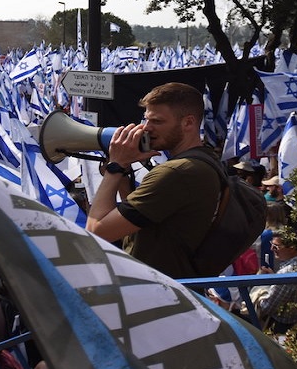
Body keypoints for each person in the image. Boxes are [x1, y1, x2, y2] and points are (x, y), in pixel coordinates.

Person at [86, 82, 220, 278]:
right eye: (145, 119)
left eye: (157, 121)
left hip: (159, 293)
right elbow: (138, 221)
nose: (146, 128)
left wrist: (115, 167)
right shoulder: (203, 161)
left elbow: (96, 230)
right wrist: (123, 175)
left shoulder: (178, 172)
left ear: (188, 123)